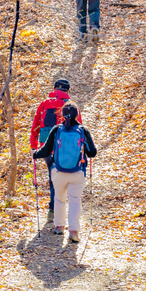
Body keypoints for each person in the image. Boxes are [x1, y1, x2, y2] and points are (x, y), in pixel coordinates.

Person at [33, 101, 97, 244]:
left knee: (59, 199)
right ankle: (73, 230)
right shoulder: (83, 130)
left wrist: (34, 154)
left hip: (58, 172)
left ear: (61, 114)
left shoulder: (56, 130)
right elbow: (92, 152)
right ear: (77, 114)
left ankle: (59, 226)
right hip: (77, 172)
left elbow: (46, 150)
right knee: (75, 200)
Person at [30, 78, 80, 223]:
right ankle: (64, 210)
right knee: (68, 175)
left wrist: (34, 147)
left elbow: (35, 127)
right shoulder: (71, 105)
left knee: (53, 176)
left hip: (46, 146)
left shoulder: (44, 104)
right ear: (68, 90)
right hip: (66, 147)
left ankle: (52, 210)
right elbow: (80, 126)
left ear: (54, 89)